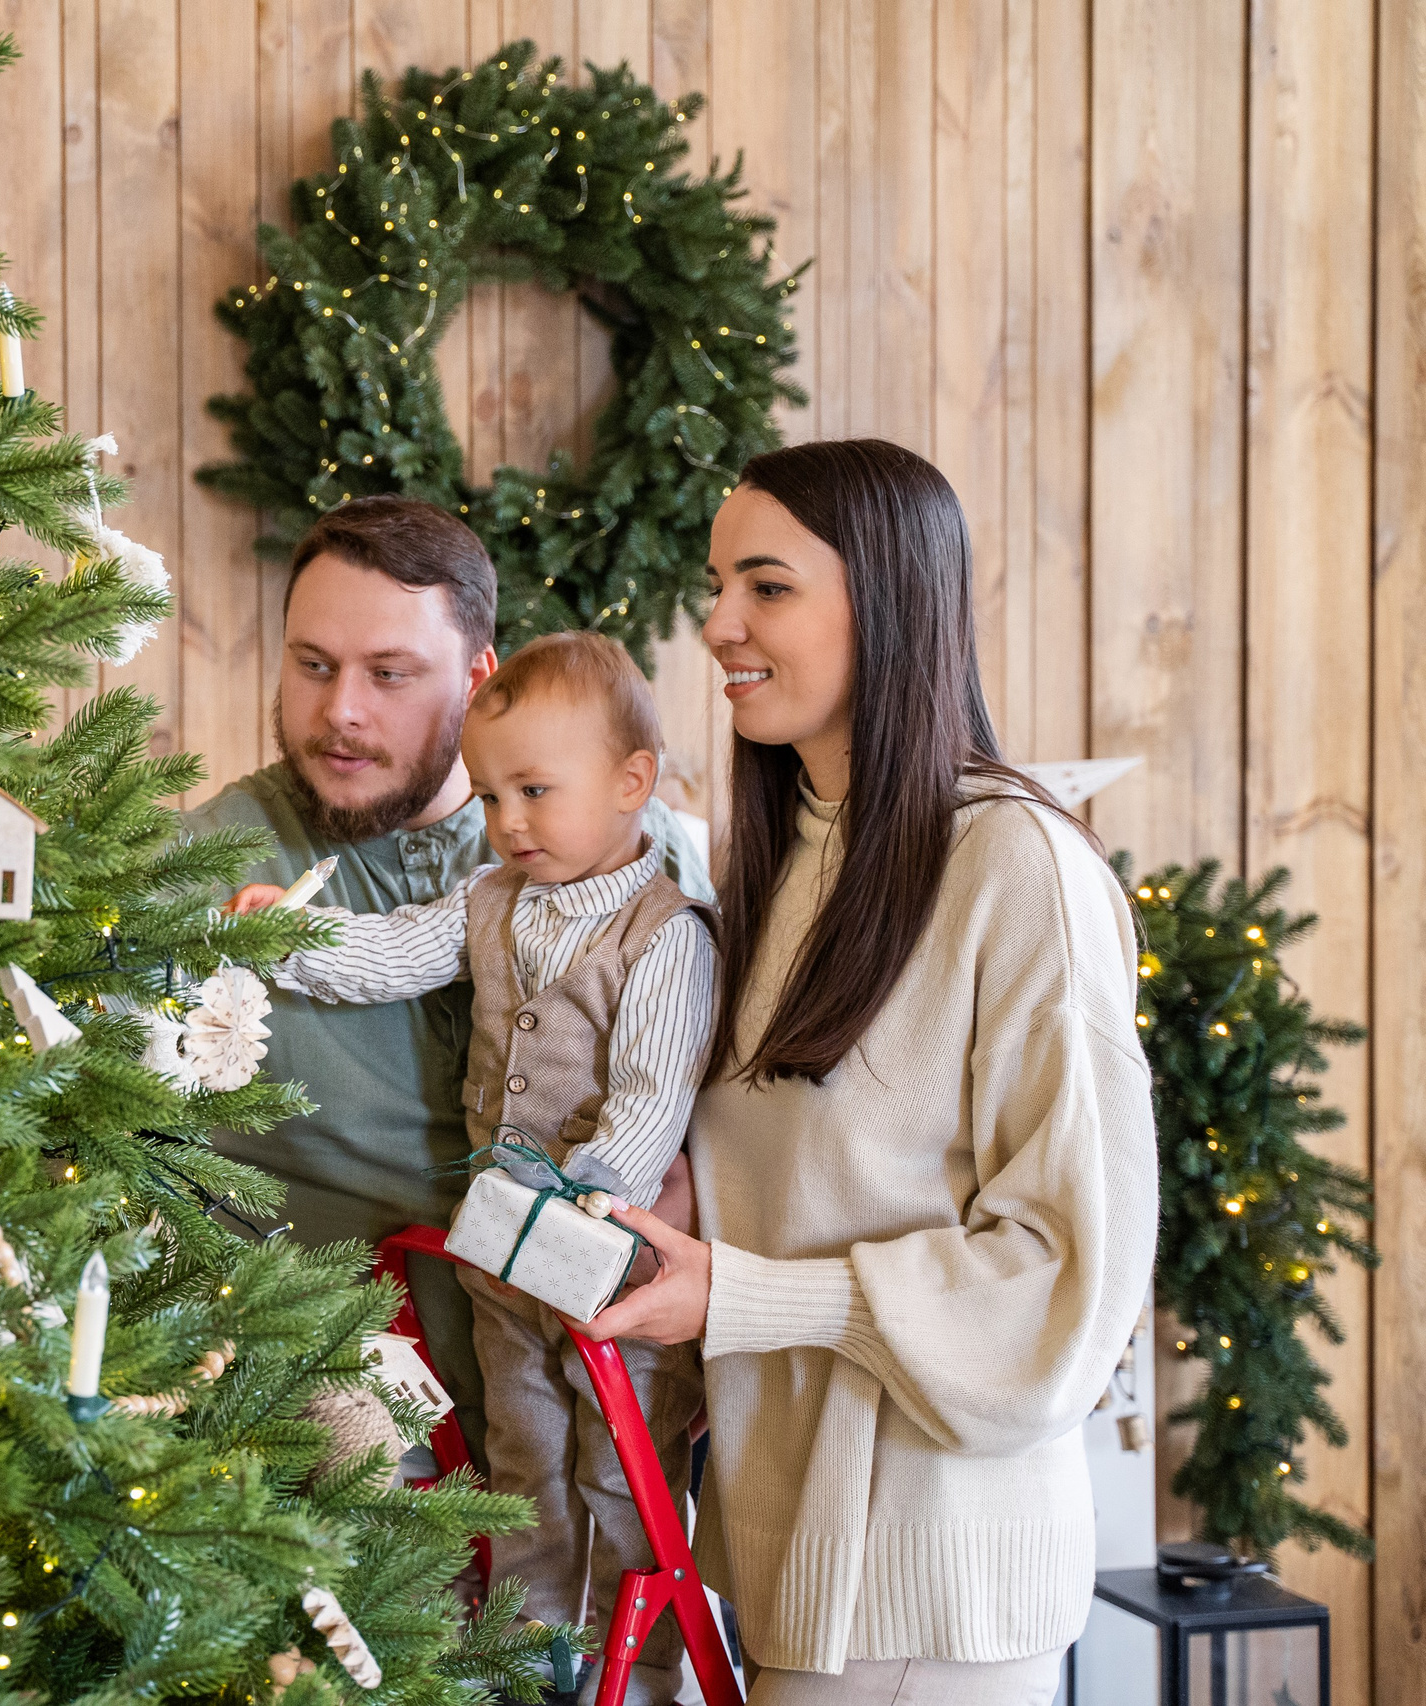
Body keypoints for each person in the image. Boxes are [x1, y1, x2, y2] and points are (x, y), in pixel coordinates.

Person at [578, 439, 1157, 1705]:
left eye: (767, 586)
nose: (718, 622)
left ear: (887, 601)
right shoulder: (787, 859)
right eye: (718, 581)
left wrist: (744, 1294)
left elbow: (1065, 1275)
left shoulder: (1018, 869)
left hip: (928, 1581)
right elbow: (820, 1171)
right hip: (794, 1560)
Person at [229, 630, 716, 1706]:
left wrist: (582, 1198)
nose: (508, 822)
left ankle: (633, 1672)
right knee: (523, 1459)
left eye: (536, 791)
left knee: (615, 1470)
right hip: (503, 1257)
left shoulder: (664, 933)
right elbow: (395, 950)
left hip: (610, 1267)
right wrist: (293, 938)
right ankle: (527, 1656)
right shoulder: (492, 898)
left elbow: (650, 1096)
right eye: (493, 796)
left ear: (632, 782)